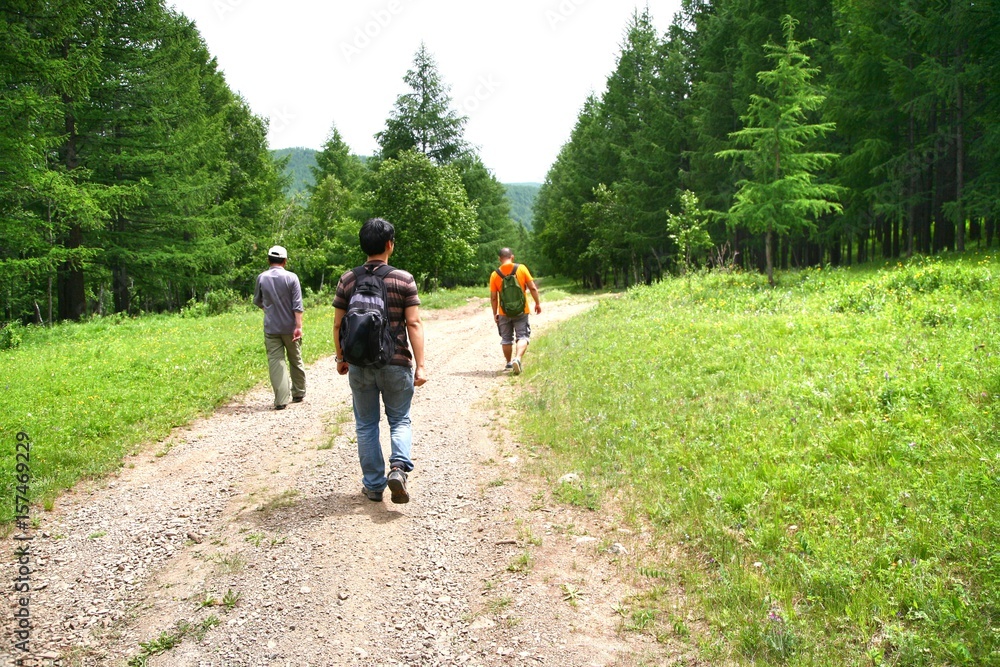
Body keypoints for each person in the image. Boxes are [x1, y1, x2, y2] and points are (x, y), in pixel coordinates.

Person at [333, 218, 427, 504]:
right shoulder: (403, 279)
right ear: (389, 244)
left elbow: (338, 324)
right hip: (396, 362)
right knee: (399, 419)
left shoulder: (348, 279)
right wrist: (421, 365)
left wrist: (341, 357)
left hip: (360, 365)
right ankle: (398, 468)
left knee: (366, 424)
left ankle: (373, 486)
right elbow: (414, 324)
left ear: (364, 244)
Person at [253, 245, 306, 410]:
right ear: (285, 261)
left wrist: (268, 310)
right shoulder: (292, 278)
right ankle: (298, 392)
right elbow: (297, 304)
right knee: (295, 358)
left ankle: (281, 400)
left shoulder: (261, 278)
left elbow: (257, 300)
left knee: (276, 361)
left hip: (271, 328)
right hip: (290, 327)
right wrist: (298, 326)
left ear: (269, 260)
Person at [490, 247, 541, 375]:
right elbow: (532, 288)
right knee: (522, 336)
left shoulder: (495, 274)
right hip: (521, 310)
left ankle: (508, 362)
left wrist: (495, 313)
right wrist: (537, 303)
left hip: (504, 312)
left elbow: (493, 297)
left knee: (506, 339)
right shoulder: (521, 268)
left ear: (499, 259)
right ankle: (517, 359)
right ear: (512, 257)